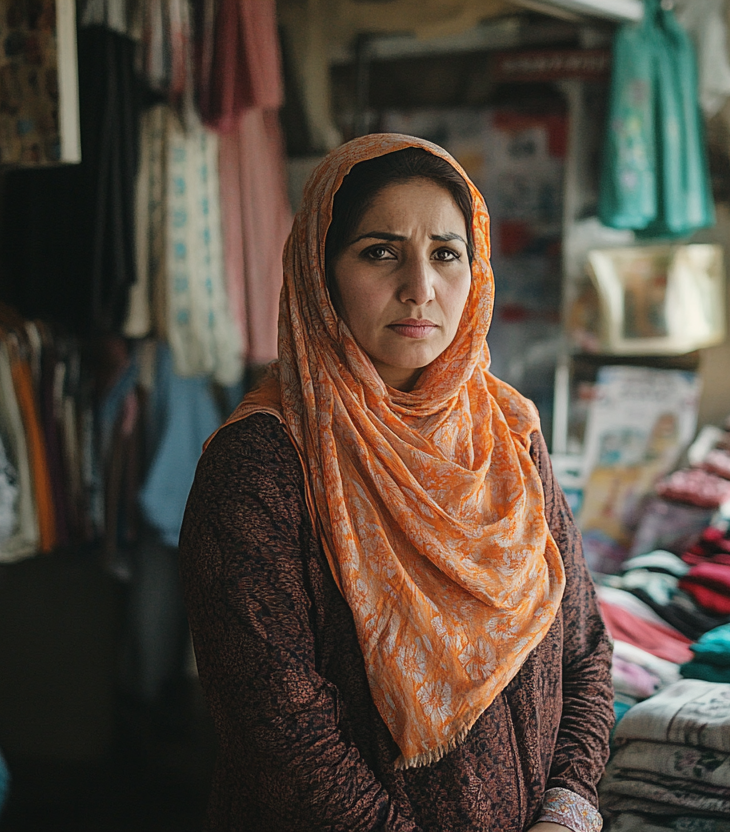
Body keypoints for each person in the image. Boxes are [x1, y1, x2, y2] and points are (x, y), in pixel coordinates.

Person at [181, 134, 613, 831]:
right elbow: (283, 735)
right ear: (320, 273)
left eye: (446, 253)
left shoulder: (509, 436)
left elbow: (584, 646)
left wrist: (568, 808)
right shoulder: (260, 468)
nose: (420, 288)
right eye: (380, 252)